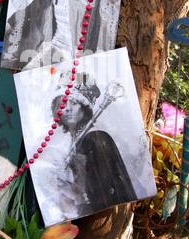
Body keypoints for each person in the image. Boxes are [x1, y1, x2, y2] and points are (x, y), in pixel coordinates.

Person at [50, 74, 137, 218]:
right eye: (64, 103)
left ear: (85, 108)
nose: (68, 109)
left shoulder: (94, 139)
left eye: (74, 103)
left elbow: (100, 195)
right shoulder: (75, 140)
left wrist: (75, 194)